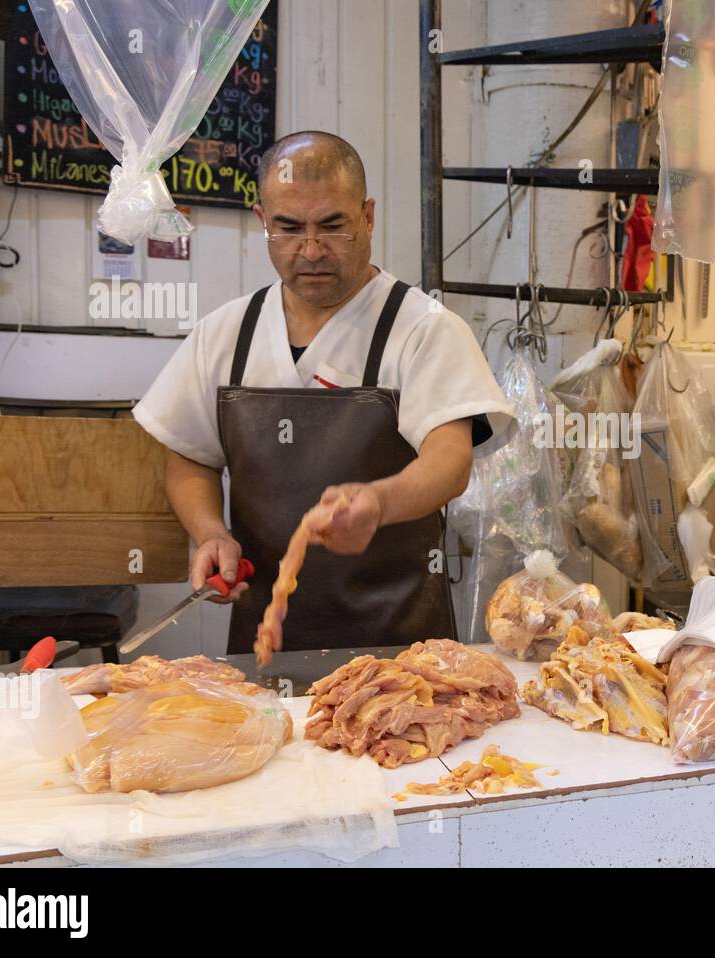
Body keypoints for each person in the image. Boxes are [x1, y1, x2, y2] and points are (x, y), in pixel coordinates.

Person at [134, 130, 510, 654]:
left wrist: (378, 501)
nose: (311, 250)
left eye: (333, 226)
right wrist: (211, 532)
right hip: (263, 645)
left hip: (401, 652)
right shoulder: (226, 335)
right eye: (288, 228)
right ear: (263, 221)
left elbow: (449, 461)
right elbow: (189, 460)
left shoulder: (423, 328)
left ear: (367, 216)